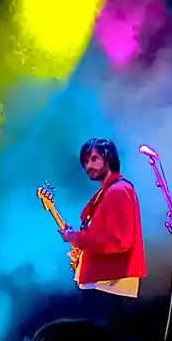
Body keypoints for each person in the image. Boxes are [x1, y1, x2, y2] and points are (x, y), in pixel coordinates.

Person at [59, 138, 146, 331]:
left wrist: (78, 239)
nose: (89, 165)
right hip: (101, 282)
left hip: (108, 284)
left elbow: (120, 240)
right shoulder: (107, 192)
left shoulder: (118, 191)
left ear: (109, 159)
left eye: (95, 159)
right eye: (86, 161)